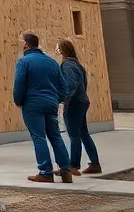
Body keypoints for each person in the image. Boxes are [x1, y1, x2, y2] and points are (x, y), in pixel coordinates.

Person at [13, 31, 72, 183]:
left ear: (26, 44)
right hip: (51, 103)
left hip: (32, 103)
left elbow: (19, 84)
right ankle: (66, 170)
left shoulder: (24, 62)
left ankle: (45, 172)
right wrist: (56, 99)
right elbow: (64, 87)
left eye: (22, 42)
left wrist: (18, 101)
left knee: (39, 137)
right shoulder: (51, 62)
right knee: (55, 136)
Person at [57, 38, 102, 176]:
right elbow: (83, 83)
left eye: (58, 47)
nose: (56, 50)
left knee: (74, 135)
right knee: (83, 134)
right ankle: (95, 163)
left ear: (63, 50)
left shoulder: (67, 65)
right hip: (82, 101)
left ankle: (73, 166)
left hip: (74, 103)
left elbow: (71, 85)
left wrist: (63, 98)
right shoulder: (77, 64)